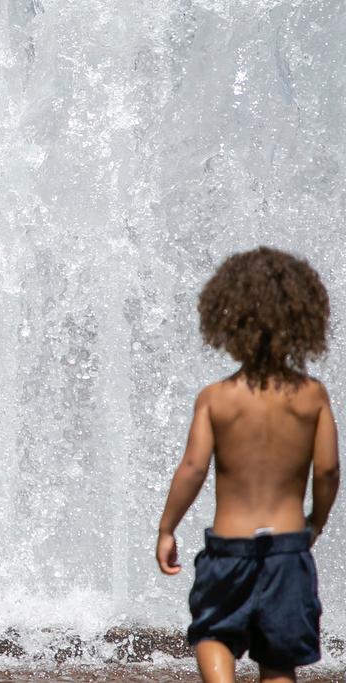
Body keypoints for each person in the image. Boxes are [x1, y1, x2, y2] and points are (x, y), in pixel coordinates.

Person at [155, 247, 340, 683]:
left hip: (229, 548)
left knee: (214, 635)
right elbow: (328, 470)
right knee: (278, 660)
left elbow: (192, 468)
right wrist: (317, 519)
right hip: (287, 548)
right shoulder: (312, 396)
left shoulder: (216, 399)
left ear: (228, 320)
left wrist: (167, 528)